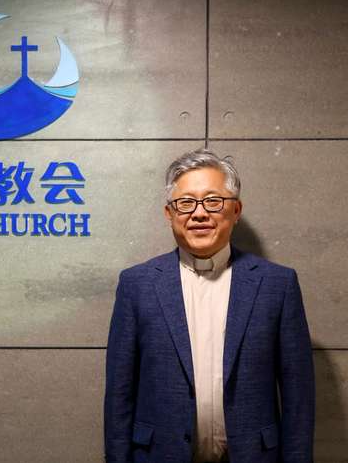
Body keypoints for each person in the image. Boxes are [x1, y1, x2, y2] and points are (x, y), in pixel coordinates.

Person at [104, 149, 315, 463]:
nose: (199, 214)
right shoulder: (137, 284)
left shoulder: (276, 285)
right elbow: (119, 394)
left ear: (236, 210)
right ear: (169, 213)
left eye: (213, 201)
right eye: (186, 203)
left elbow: (298, 397)